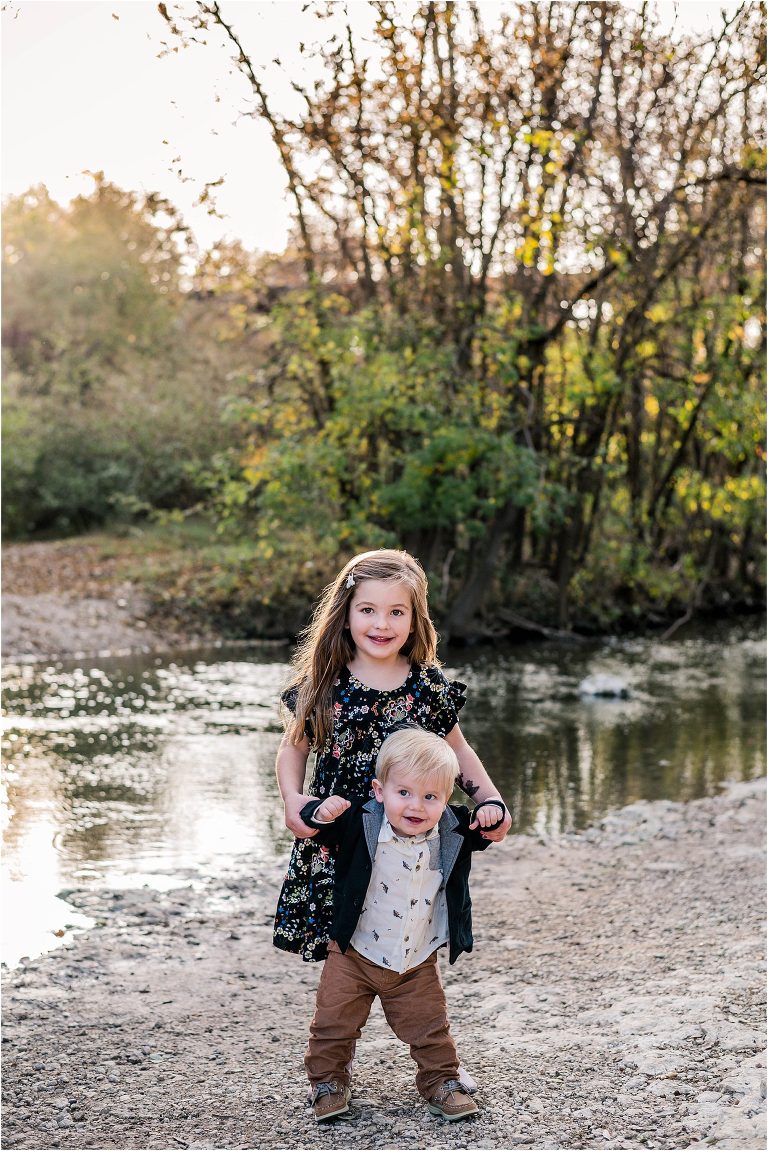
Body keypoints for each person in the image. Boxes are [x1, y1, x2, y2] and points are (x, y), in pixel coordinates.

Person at [273, 548, 511, 965]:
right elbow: (294, 747)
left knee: (407, 939)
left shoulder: (427, 687)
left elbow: (457, 750)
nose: (382, 624)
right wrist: (293, 800)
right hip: (341, 838)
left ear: (415, 619)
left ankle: (418, 1015)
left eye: (397, 612)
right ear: (345, 613)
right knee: (345, 946)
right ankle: (339, 1018)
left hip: (410, 844)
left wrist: (490, 800)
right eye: (368, 609)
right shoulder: (325, 685)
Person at [298, 726, 505, 1122]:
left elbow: (485, 829)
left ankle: (441, 1082)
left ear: (446, 800)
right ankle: (328, 1082)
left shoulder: (450, 829)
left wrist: (491, 808)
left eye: (431, 797)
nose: (416, 806)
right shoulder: (362, 822)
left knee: (430, 1029)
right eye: (404, 793)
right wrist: (318, 810)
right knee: (333, 1025)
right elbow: (319, 824)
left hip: (415, 960)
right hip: (353, 953)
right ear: (380, 791)